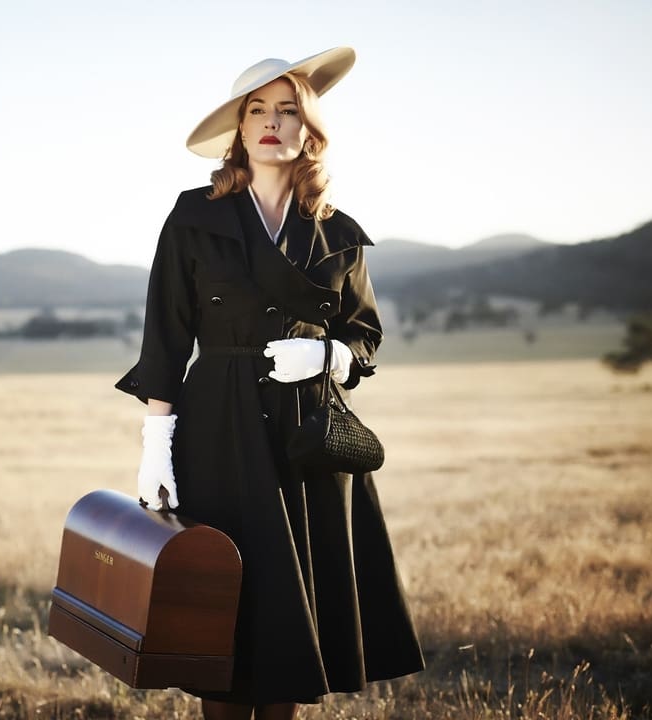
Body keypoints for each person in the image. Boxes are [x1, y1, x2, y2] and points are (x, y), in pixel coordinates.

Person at [115, 48, 425, 719]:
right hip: (218, 428)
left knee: (292, 634)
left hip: (309, 436)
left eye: (287, 111)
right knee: (222, 620)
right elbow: (165, 337)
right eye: (257, 110)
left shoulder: (338, 232)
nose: (271, 123)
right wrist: (155, 445)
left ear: (309, 129)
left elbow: (365, 336)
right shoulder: (194, 217)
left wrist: (329, 359)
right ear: (238, 127)